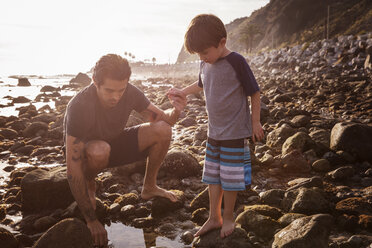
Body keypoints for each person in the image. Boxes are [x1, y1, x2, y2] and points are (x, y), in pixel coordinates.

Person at [63, 54, 186, 247]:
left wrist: (177, 111)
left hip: (116, 143)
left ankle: (149, 187)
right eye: (109, 90)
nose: (115, 96)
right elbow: (72, 167)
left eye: (120, 90)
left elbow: (162, 119)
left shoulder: (130, 92)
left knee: (163, 130)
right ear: (95, 81)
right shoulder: (80, 106)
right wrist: (91, 220)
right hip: (91, 153)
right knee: (99, 150)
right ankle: (90, 182)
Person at [168, 14, 264, 238]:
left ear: (222, 42)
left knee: (230, 179)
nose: (202, 57)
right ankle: (214, 216)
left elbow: (254, 92)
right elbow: (201, 83)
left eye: (205, 52)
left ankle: (228, 216)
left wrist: (255, 121)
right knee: (212, 176)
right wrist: (183, 91)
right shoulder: (205, 62)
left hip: (233, 132)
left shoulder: (236, 61)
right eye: (199, 54)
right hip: (214, 132)